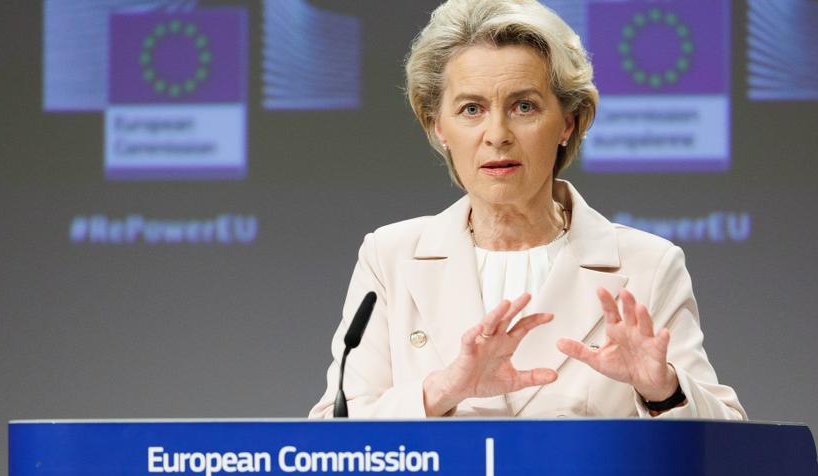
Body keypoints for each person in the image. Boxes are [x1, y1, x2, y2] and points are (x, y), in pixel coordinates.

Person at [309, 0, 746, 419]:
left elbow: (726, 445)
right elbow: (333, 436)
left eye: (524, 106)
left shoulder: (648, 265)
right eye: (471, 109)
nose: (496, 134)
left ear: (568, 122)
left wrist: (662, 390)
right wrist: (443, 389)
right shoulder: (390, 257)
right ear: (438, 125)